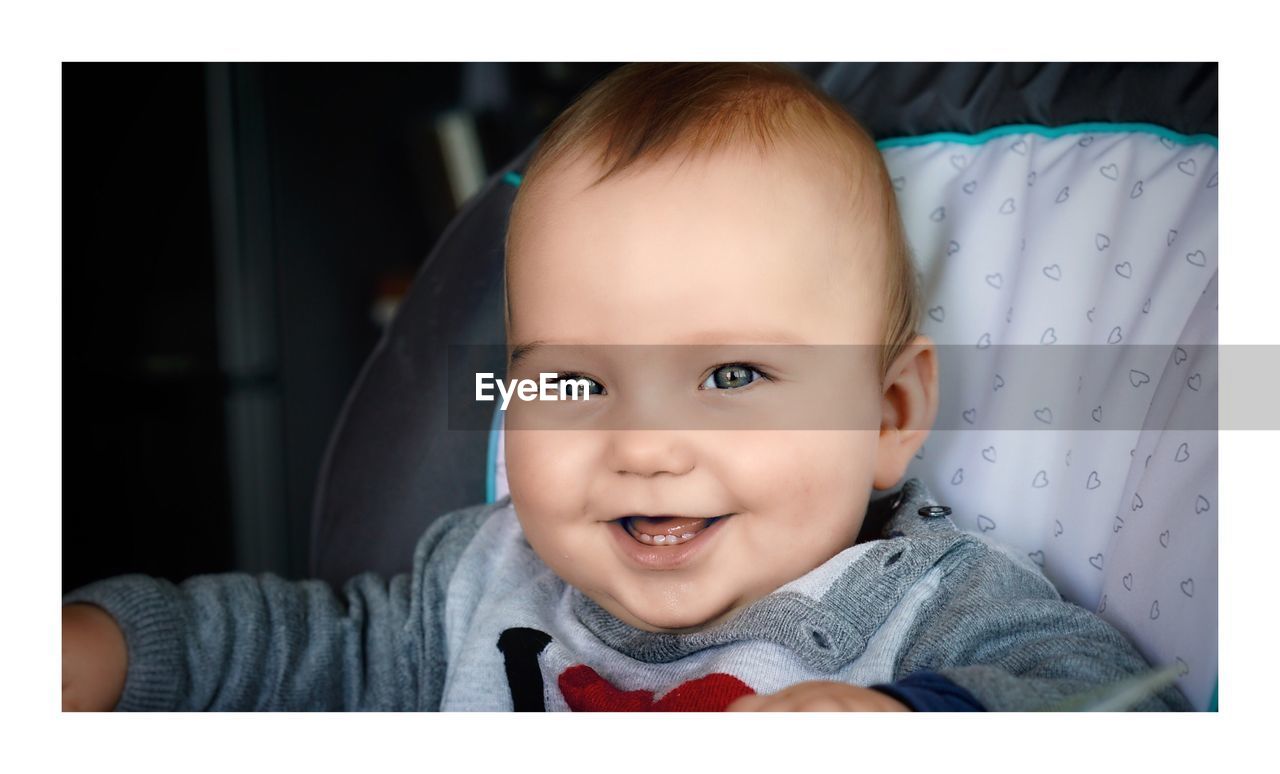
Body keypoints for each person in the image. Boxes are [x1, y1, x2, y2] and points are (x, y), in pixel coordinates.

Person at [62, 63, 1192, 712]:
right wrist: (108, 648)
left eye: (732, 374)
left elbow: (1102, 700)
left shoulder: (933, 607)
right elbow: (279, 651)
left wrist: (895, 719)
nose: (645, 446)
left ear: (888, 416)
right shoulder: (475, 581)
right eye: (574, 383)